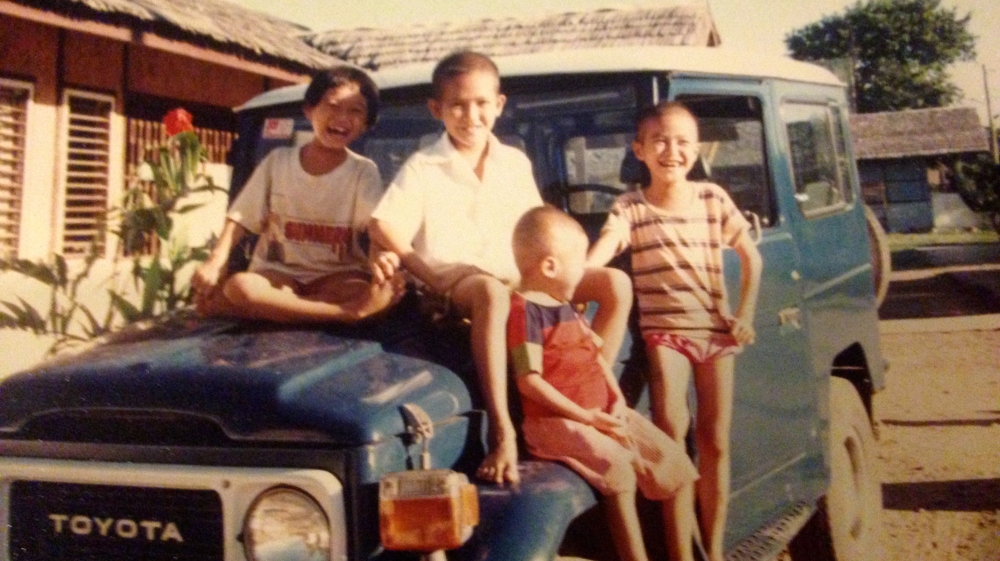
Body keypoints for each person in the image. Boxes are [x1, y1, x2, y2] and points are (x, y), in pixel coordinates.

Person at [368, 51, 633, 486]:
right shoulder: (423, 166)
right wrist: (427, 273)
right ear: (436, 109)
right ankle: (503, 429)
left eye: (480, 104)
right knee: (491, 292)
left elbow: (539, 228)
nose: (470, 116)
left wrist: (566, 277)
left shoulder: (514, 162)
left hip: (520, 277)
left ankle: (580, 394)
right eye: (457, 105)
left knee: (614, 283)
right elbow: (382, 224)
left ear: (498, 105)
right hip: (457, 282)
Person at [587, 101, 763, 561]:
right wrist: (574, 278)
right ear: (639, 150)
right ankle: (680, 551)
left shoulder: (712, 198)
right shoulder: (630, 206)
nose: (672, 151)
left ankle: (716, 549)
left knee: (715, 441)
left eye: (683, 142)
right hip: (665, 333)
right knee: (671, 433)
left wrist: (744, 314)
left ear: (697, 149)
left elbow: (751, 256)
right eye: (660, 141)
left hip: (716, 332)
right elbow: (606, 246)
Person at [507, 206, 699, 561]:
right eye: (580, 262)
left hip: (600, 413)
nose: (585, 271)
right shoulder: (525, 313)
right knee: (619, 469)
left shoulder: (565, 305)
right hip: (553, 423)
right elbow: (530, 383)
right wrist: (585, 416)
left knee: (677, 466)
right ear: (549, 267)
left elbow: (595, 358)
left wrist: (616, 400)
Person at [192, 66, 404, 323]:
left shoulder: (363, 170)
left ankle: (271, 310)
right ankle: (347, 314)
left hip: (337, 278)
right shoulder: (278, 161)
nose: (342, 118)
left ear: (366, 124)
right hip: (278, 274)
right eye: (333, 105)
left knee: (372, 289)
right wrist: (216, 261)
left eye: (355, 111)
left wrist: (380, 258)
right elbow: (240, 217)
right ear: (309, 110)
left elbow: (374, 229)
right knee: (240, 286)